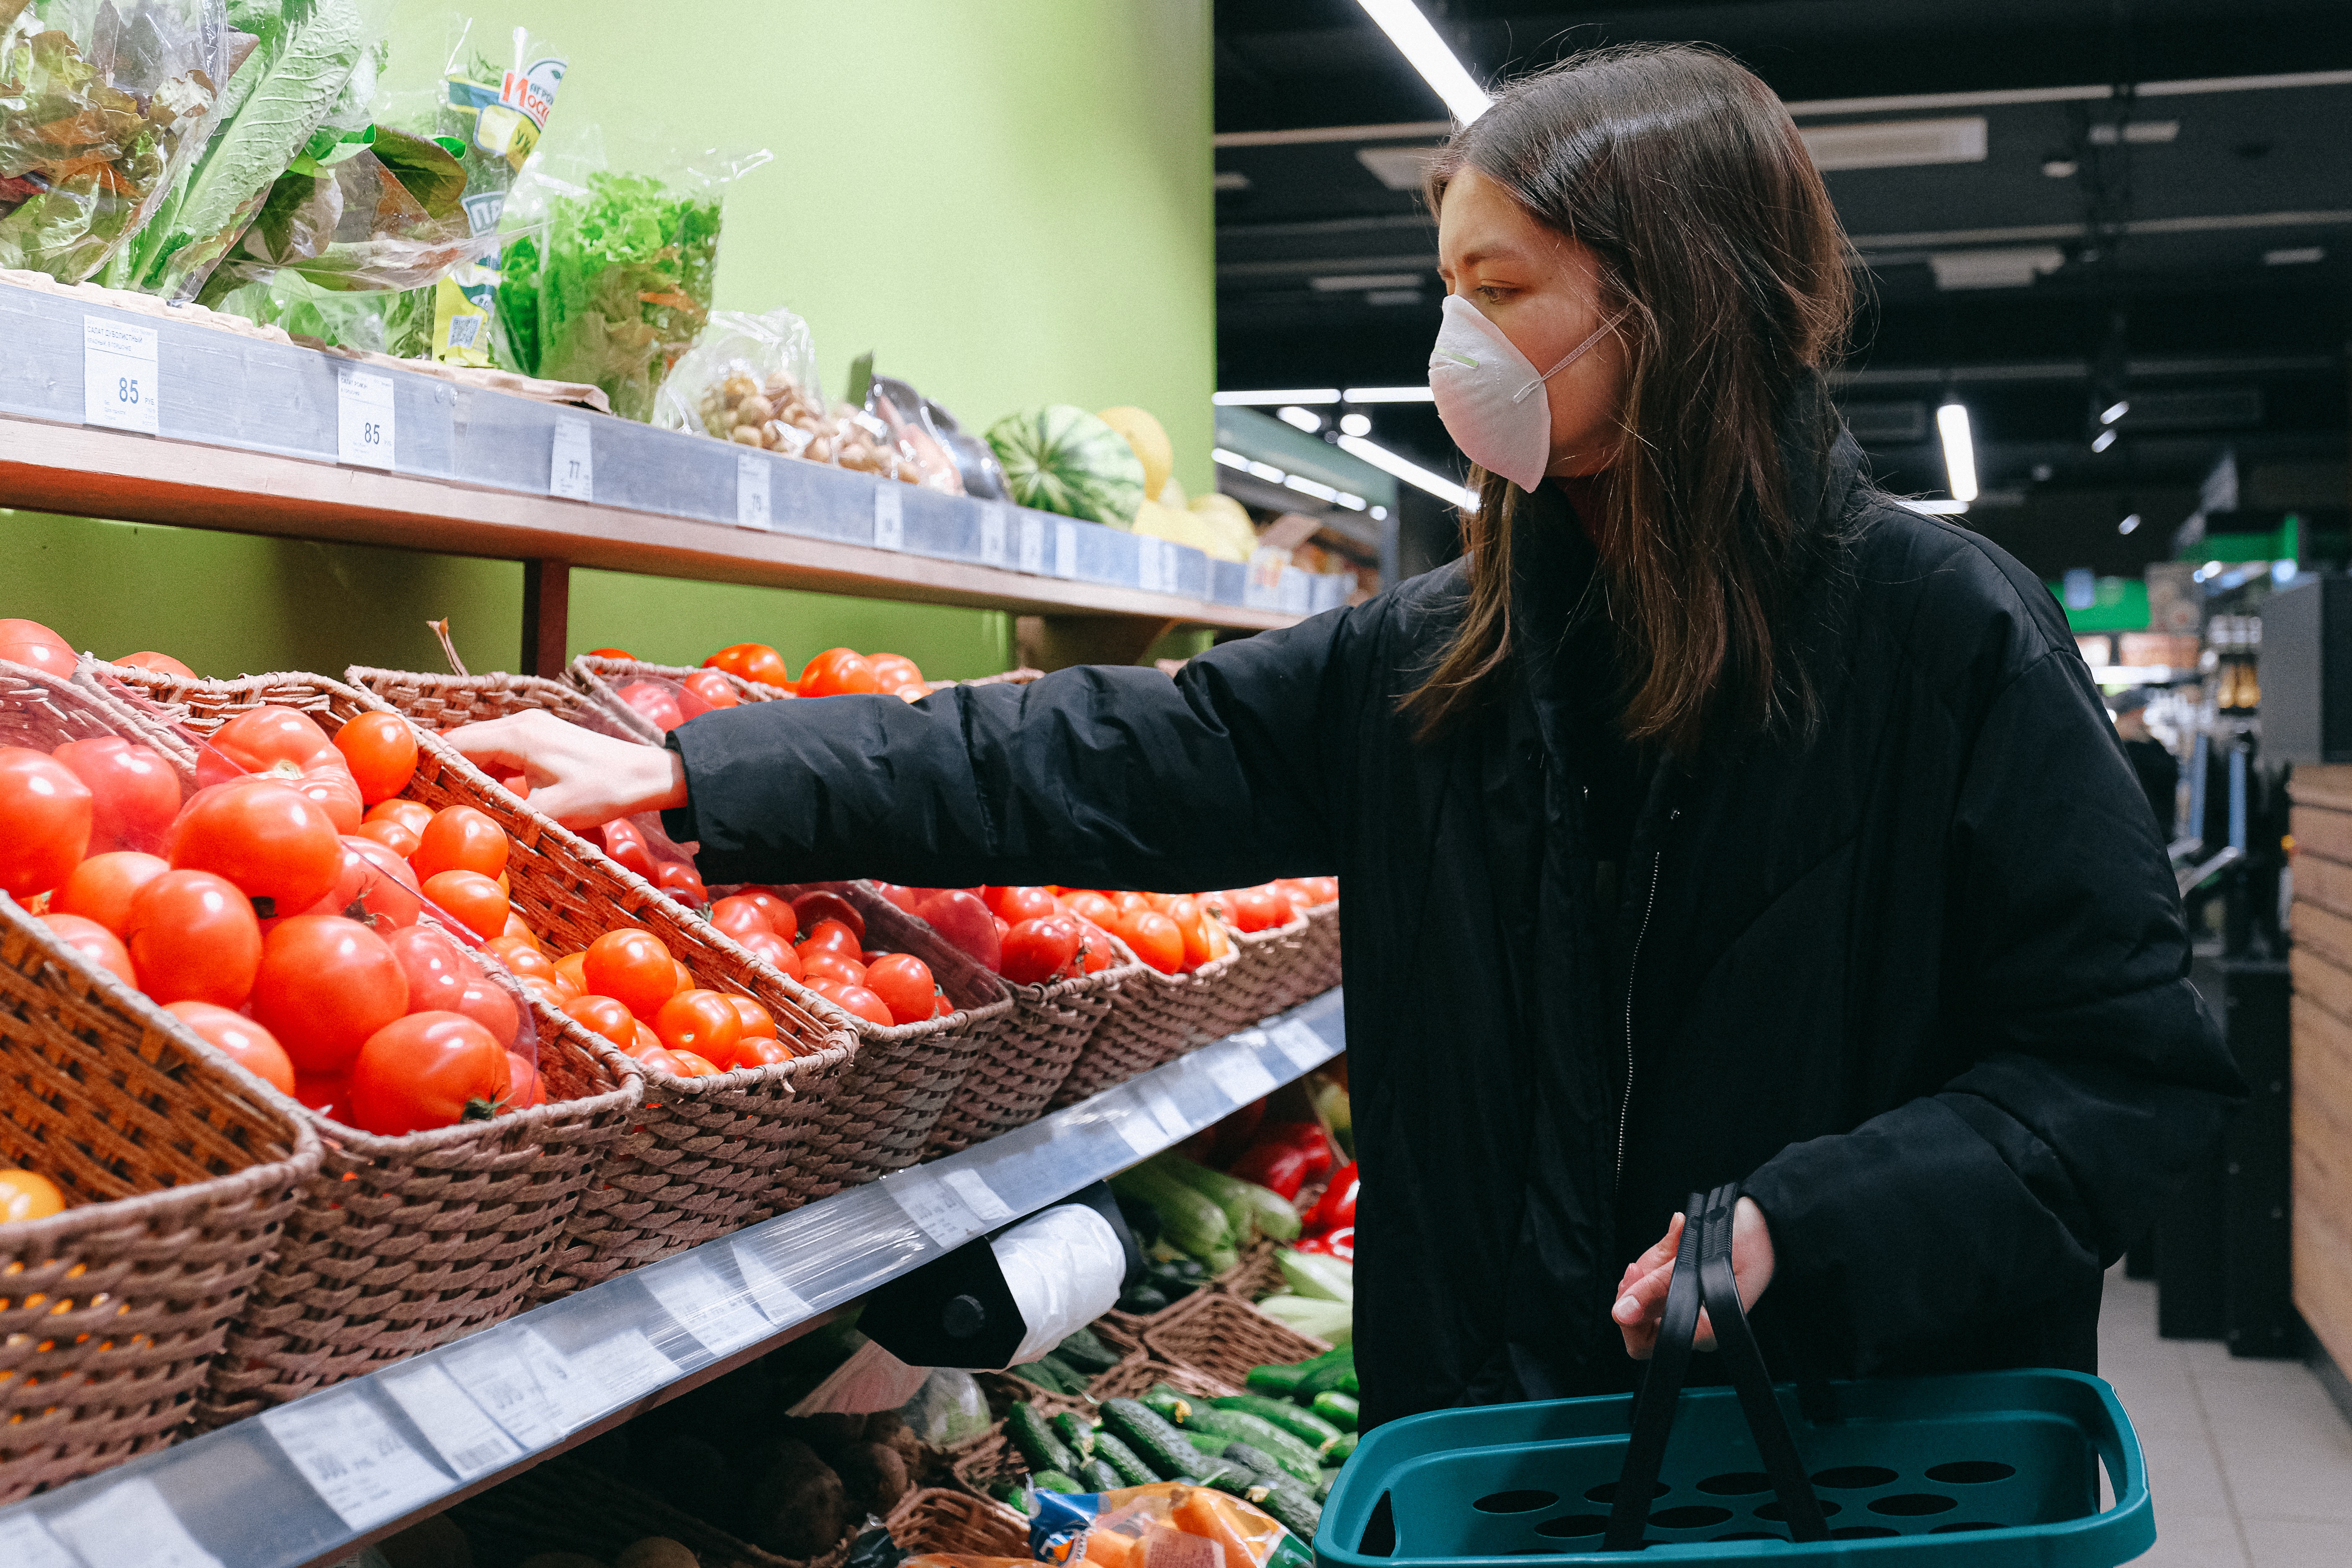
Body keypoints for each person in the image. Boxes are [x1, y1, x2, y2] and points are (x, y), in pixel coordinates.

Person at [450, 44, 2240, 1429]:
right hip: (1501, 1454)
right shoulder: (1440, 660)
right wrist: (711, 770)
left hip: (1844, 1460)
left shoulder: (1943, 642)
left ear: (1675, 306)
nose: (1456, 340)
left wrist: (1812, 1224)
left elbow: (2124, 1073)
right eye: (1450, 284)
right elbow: (1090, 752)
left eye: (1507, 287)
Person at [2111, 688, 2182, 837]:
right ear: (2134, 713)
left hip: (2145, 824)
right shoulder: (2135, 748)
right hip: (2147, 826)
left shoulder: (2115, 744)